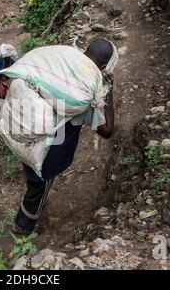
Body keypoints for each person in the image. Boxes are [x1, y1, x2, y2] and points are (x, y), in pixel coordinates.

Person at [13, 38, 116, 235]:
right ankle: (23, 226)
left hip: (29, 140)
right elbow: (107, 130)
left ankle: (28, 214)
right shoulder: (85, 95)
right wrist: (108, 89)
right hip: (47, 156)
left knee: (33, 184)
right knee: (38, 191)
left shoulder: (62, 66)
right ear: (103, 67)